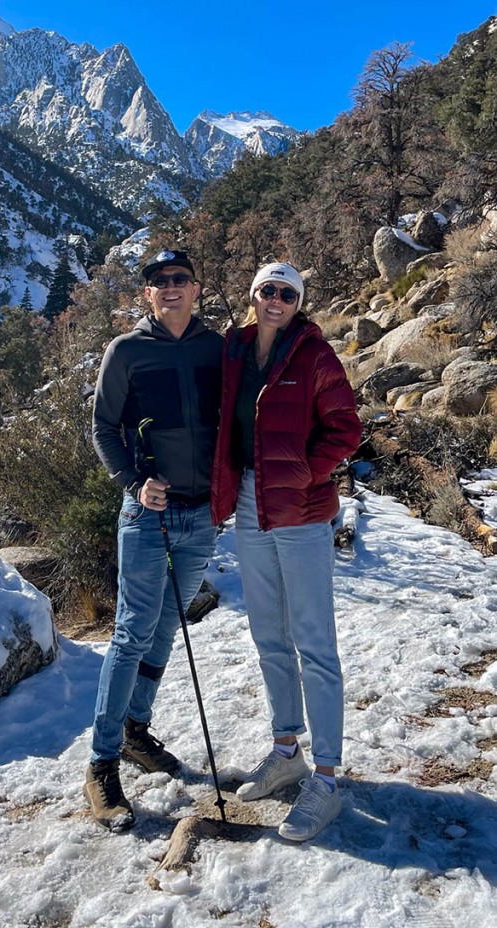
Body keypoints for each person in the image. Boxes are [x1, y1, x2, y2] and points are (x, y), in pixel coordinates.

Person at [211, 261, 361, 842]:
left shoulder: (316, 357)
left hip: (300, 510)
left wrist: (305, 471)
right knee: (268, 635)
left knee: (314, 641)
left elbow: (346, 429)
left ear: (299, 302)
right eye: (267, 291)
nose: (276, 300)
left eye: (287, 294)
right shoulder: (234, 352)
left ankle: (324, 779)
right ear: (252, 296)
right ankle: (286, 749)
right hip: (249, 504)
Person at [86, 248, 224, 831]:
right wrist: (135, 481)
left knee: (167, 623)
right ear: (147, 295)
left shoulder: (215, 348)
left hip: (202, 516)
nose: (169, 287)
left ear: (196, 289)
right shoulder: (127, 351)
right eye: (158, 282)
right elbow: (102, 426)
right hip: (149, 514)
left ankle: (135, 730)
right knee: (131, 631)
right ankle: (102, 763)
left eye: (179, 279)